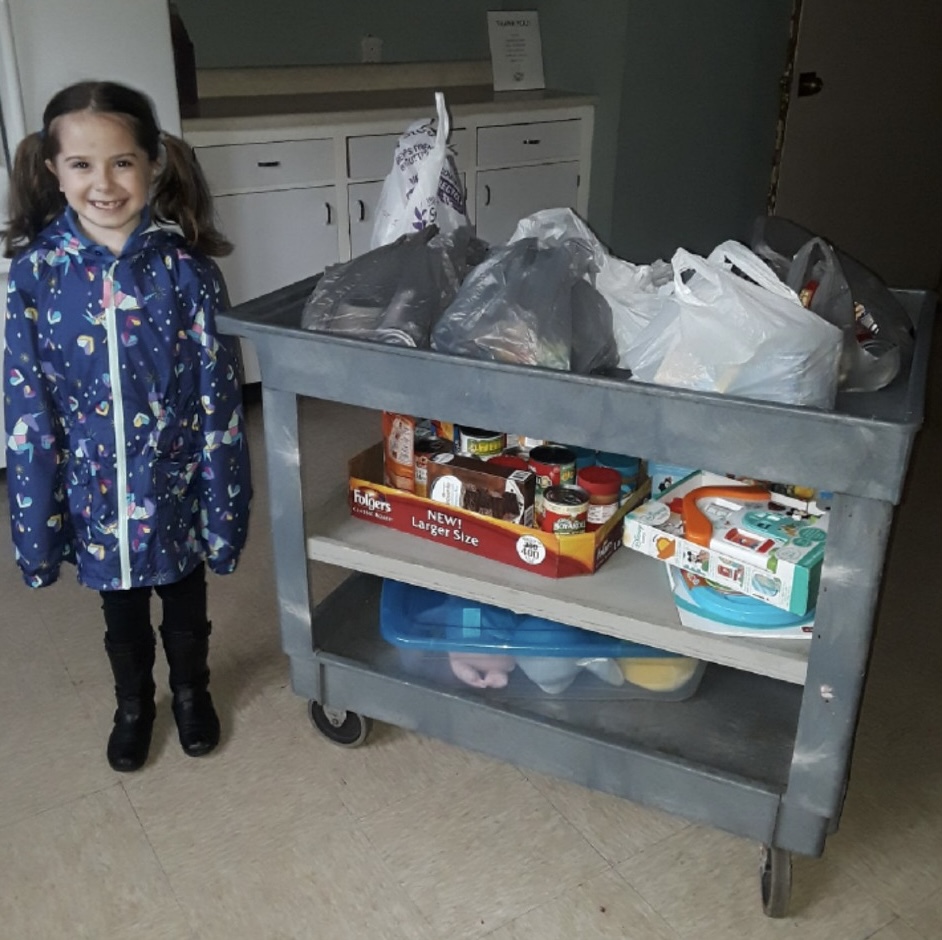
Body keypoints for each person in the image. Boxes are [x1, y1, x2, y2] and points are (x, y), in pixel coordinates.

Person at [2, 81, 252, 772]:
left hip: (173, 484)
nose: (103, 183)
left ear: (153, 165)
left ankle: (193, 691)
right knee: (120, 612)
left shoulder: (187, 275)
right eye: (81, 164)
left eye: (121, 162)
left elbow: (220, 402)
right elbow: (26, 411)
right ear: (54, 170)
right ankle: (134, 704)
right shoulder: (35, 278)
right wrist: (36, 523)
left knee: (182, 599)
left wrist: (224, 503)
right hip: (94, 493)